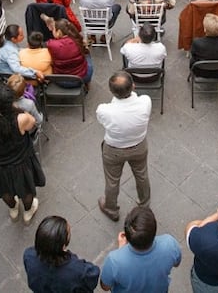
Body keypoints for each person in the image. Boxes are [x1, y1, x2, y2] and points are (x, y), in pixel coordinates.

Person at [0, 83, 45, 223]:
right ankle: (28, 211)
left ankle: (13, 208)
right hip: (21, 162)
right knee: (27, 190)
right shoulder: (20, 118)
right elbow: (33, 123)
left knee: (5, 190)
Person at [96, 71, 152, 222]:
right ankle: (144, 206)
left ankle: (111, 208)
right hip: (139, 146)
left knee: (112, 180)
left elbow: (102, 121)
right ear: (133, 86)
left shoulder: (104, 110)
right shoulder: (145, 102)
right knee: (142, 175)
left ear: (111, 91)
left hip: (113, 150)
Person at [99, 206, 180, 292]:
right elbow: (176, 263)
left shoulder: (114, 260)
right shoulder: (170, 244)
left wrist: (121, 250)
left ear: (127, 235)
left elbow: (105, 286)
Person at [23, 215, 101, 292]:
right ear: (63, 246)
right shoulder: (78, 271)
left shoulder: (29, 255)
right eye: (68, 233)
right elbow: (93, 275)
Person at [45, 18, 93, 88]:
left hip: (62, 81)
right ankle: (87, 83)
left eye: (53, 29)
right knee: (87, 54)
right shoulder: (77, 39)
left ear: (58, 32)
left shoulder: (51, 44)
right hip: (82, 78)